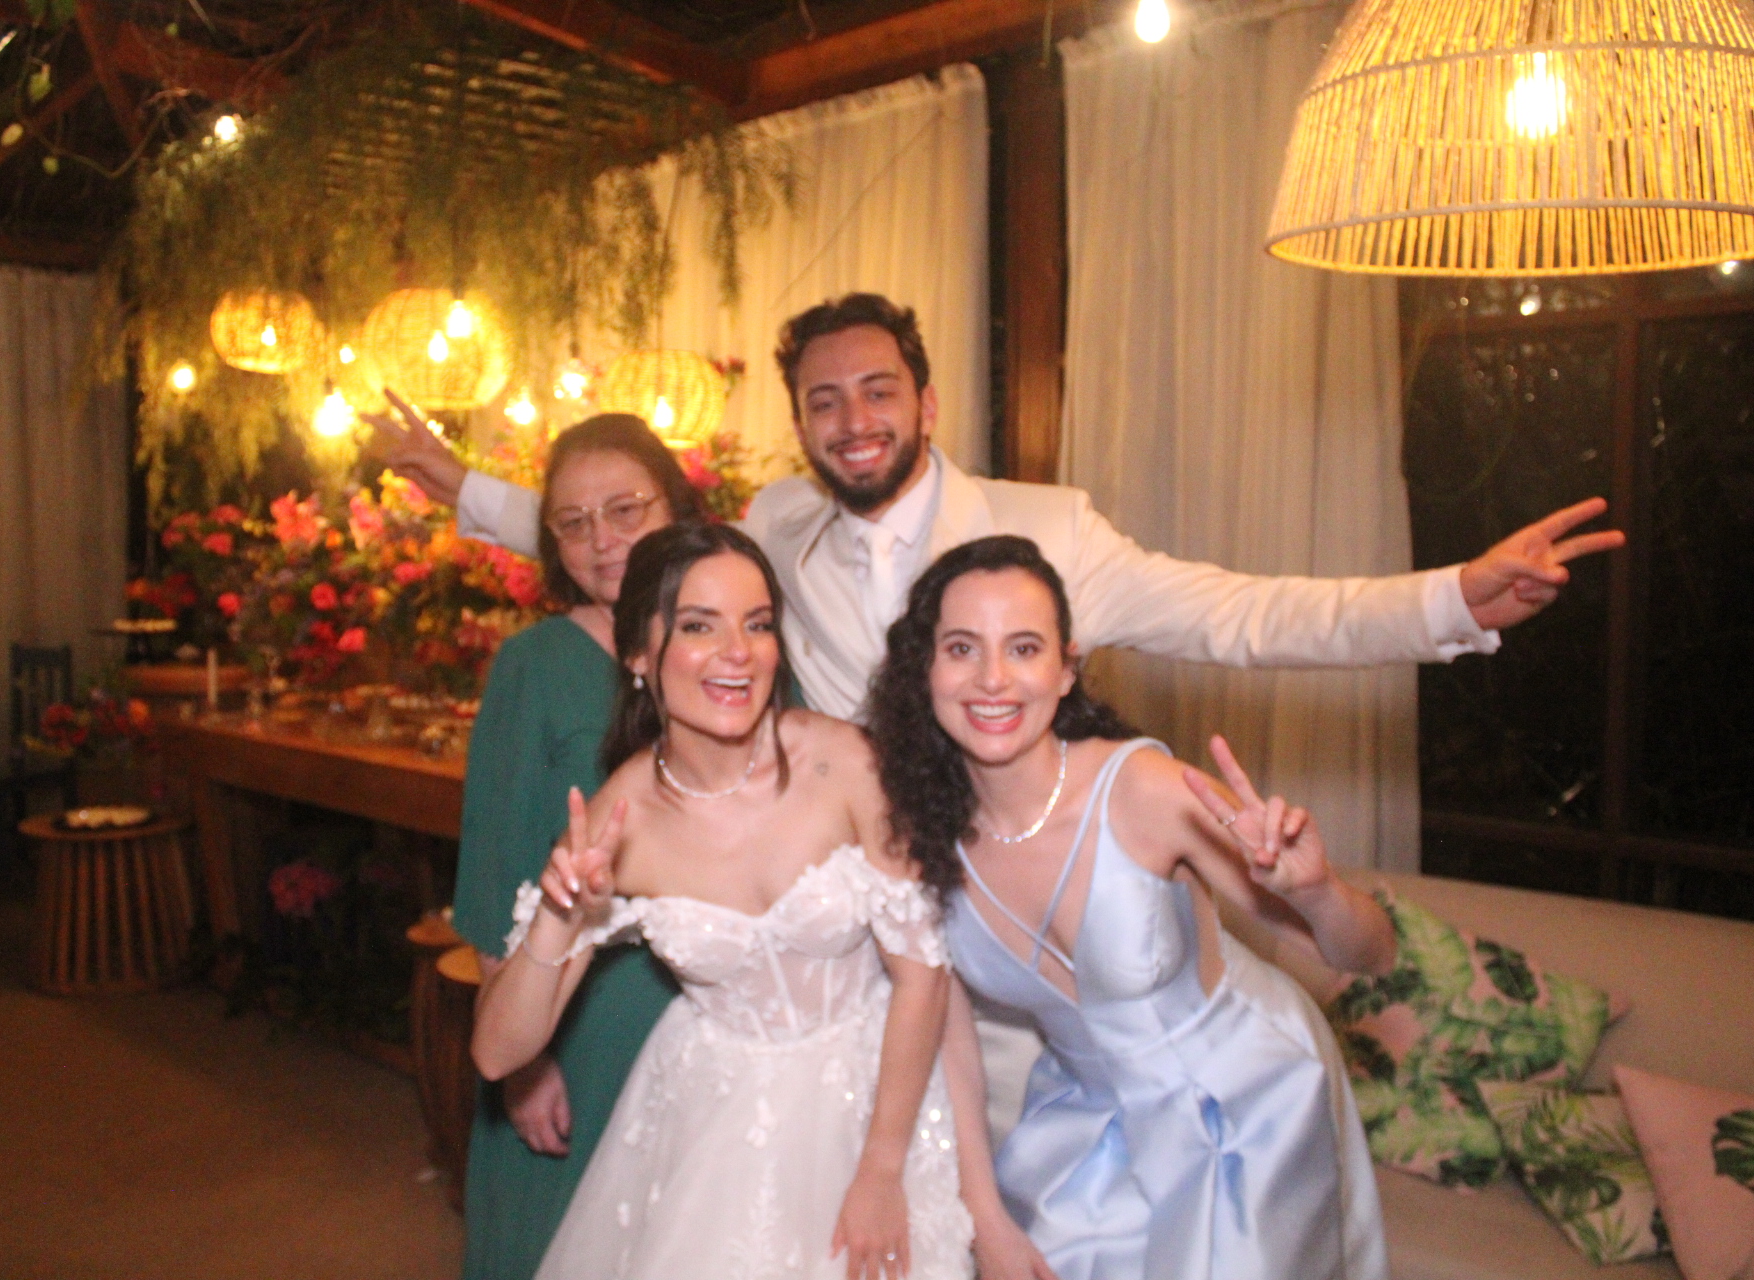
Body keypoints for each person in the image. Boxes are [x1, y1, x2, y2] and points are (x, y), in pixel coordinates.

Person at [377, 293, 1624, 725]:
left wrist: (1449, 598)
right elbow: (637, 553)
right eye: (824, 401)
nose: (853, 420)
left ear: (926, 401)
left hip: (1004, 892)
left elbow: (1241, 614)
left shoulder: (1052, 530)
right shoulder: (780, 521)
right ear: (800, 421)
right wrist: (466, 489)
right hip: (836, 892)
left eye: (878, 391)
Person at [866, 535, 1397, 1280]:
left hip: (1248, 1105)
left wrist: (1315, 890)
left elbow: (1370, 955)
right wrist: (984, 1218)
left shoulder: (1145, 791)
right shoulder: (920, 834)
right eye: (962, 648)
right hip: (1089, 1121)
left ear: (1066, 668)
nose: (992, 679)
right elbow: (950, 1043)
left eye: (1024, 648)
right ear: (925, 669)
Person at [471, 523, 973, 1280]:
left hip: (881, 1092)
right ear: (638, 654)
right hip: (717, 1119)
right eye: (700, 626)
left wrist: (880, 1169)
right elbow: (497, 1052)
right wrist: (558, 916)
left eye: (757, 624)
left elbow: (923, 976)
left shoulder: (845, 764)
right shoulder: (619, 821)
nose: (739, 652)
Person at [434, 413, 707, 1280]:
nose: (603, 540)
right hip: (582, 1030)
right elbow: (493, 885)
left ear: (676, 507)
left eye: (626, 510)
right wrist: (526, 1066)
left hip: (723, 1030)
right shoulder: (535, 667)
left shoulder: (739, 644)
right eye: (573, 522)